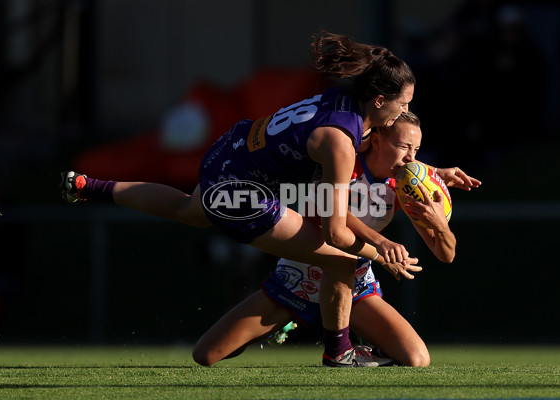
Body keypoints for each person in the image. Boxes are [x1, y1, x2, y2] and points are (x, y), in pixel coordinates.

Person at [61, 31, 421, 367]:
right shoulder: (339, 142)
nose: (403, 111)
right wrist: (382, 251)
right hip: (242, 192)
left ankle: (89, 186)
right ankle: (339, 352)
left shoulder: (341, 99)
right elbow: (336, 233)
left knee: (188, 209)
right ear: (378, 99)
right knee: (341, 260)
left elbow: (362, 151)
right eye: (402, 103)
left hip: (229, 151)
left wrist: (431, 172)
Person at [191, 111, 481, 367]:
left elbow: (446, 255)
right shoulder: (342, 158)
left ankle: (356, 349)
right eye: (404, 146)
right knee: (207, 354)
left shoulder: (405, 183)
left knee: (417, 358)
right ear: (377, 140)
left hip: (353, 284)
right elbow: (331, 213)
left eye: (416, 149)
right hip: (298, 278)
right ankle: (281, 324)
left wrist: (440, 226)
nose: (411, 158)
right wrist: (380, 245)